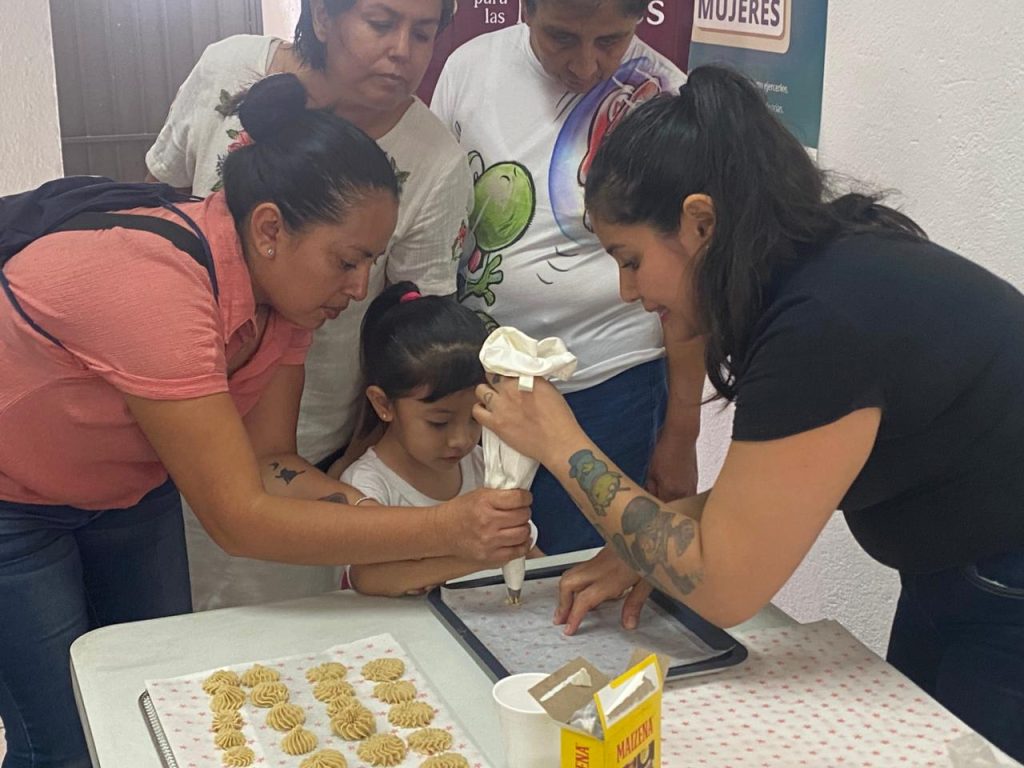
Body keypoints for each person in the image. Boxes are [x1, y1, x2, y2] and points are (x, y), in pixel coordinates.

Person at [472, 65, 1024, 761]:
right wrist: (649, 544)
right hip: (957, 563)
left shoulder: (822, 321)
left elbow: (725, 585)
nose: (627, 290)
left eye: (631, 259)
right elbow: (768, 495)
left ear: (700, 223)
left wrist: (561, 443)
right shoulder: (815, 271)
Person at [0, 74, 530, 768]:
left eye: (370, 263)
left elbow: (271, 461)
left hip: (124, 490)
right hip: (13, 504)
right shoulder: (155, 286)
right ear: (270, 228)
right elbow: (239, 519)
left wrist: (371, 515)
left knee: (151, 685)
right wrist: (445, 526)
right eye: (348, 261)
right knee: (62, 739)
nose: (358, 288)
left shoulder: (285, 301)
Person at [145, 0, 475, 609]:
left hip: (306, 435)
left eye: (423, 33)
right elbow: (160, 210)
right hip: (150, 435)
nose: (402, 51)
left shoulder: (294, 318)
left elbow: (408, 332)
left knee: (279, 625)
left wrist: (356, 473)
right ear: (323, 16)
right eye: (382, 24)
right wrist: (436, 529)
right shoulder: (228, 68)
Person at [431, 0, 705, 556]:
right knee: (471, 564)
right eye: (561, 38)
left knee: (583, 568)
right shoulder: (469, 69)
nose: (585, 66)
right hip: (476, 382)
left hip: (609, 384)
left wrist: (681, 434)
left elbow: (687, 297)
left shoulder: (664, 101)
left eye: (610, 41)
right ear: (527, 11)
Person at [339, 281, 541, 596]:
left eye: (475, 417)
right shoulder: (366, 484)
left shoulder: (485, 465)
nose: (461, 440)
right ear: (383, 404)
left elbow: (527, 551)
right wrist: (477, 556)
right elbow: (367, 577)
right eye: (439, 423)